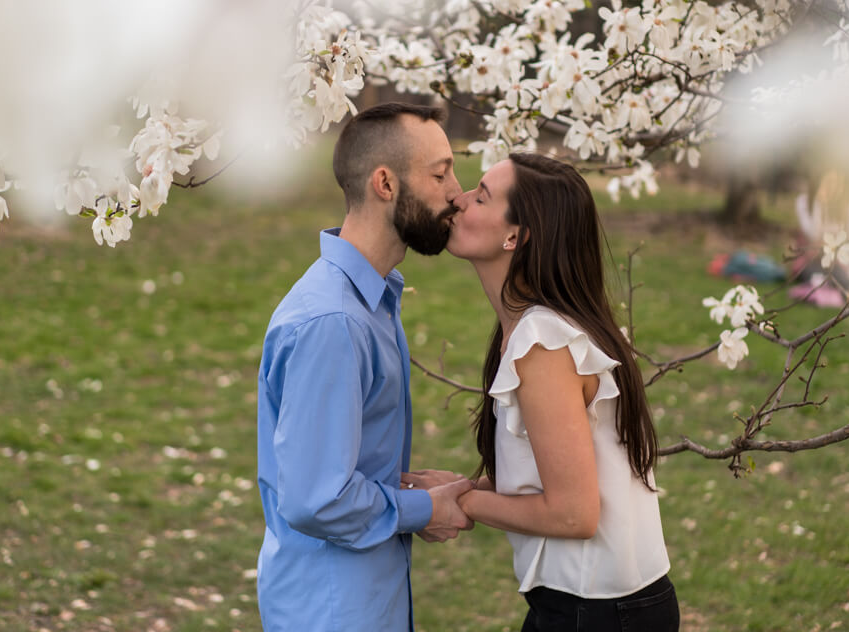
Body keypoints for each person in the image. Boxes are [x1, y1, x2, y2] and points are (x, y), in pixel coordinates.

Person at [256, 103, 475, 631]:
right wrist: (424, 510)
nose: (457, 193)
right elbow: (316, 499)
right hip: (332, 612)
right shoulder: (334, 322)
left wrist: (408, 490)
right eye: (440, 174)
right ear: (385, 183)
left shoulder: (371, 300)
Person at [446, 152, 679, 632]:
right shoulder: (542, 328)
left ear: (516, 236)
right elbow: (560, 484)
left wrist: (462, 505)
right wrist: (462, 487)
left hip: (599, 612)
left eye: (481, 197)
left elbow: (574, 514)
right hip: (604, 607)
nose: (459, 199)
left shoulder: (544, 343)